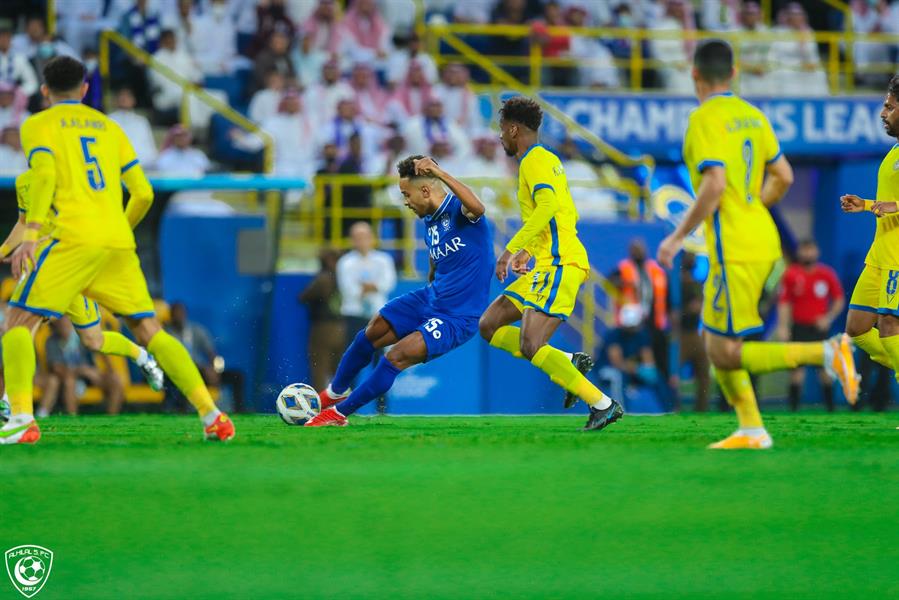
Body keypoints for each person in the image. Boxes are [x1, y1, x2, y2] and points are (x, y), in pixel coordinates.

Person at [0, 56, 234, 443]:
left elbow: (43, 175)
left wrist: (31, 234)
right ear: (85, 89)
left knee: (17, 323)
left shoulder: (37, 124)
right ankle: (212, 415)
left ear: (44, 92)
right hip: (118, 241)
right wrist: (118, 230)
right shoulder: (110, 127)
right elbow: (143, 192)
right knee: (150, 330)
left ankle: (22, 419)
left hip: (72, 238)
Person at [656, 39, 856, 450]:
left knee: (724, 352)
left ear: (694, 74)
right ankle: (751, 428)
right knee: (717, 344)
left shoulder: (703, 119)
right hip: (762, 239)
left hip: (735, 246)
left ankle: (825, 353)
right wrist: (751, 205)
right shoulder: (753, 116)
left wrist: (677, 237)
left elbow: (714, 184)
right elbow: (783, 176)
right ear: (733, 74)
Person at [305, 155, 492, 426]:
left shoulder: (460, 211)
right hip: (431, 298)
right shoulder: (429, 220)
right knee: (371, 332)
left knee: (395, 356)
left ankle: (338, 414)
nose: (405, 201)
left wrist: (440, 173)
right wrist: (432, 276)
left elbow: (479, 207)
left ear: (426, 190)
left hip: (457, 316)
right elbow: (437, 255)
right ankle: (334, 393)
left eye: (407, 194)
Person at [477, 96, 622, 431]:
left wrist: (510, 249)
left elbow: (547, 207)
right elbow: (559, 213)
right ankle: (569, 361)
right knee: (489, 324)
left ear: (513, 129)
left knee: (531, 344)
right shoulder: (543, 160)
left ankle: (602, 403)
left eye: (501, 130)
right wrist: (530, 251)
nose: (500, 137)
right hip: (545, 260)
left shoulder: (534, 161)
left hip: (560, 263)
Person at [1, 168, 165, 394]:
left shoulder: (71, 176)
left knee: (93, 340)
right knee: (18, 329)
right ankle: (11, 403)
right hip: (41, 270)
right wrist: (3, 250)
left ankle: (142, 356)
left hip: (72, 268)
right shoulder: (23, 182)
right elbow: (23, 223)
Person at [838, 75, 899, 415]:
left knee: (890, 325)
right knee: (858, 328)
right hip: (879, 255)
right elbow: (891, 201)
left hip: (897, 258)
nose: (882, 113)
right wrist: (865, 204)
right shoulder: (895, 150)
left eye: (890, 107)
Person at [777, 240, 845, 411]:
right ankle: (793, 410)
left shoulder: (826, 274)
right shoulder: (791, 274)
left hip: (819, 329)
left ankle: (830, 409)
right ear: (799, 253)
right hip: (798, 327)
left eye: (810, 250)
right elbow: (784, 303)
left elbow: (839, 299)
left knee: (825, 372)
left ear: (816, 252)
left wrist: (828, 318)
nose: (807, 254)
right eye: (804, 250)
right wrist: (783, 326)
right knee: (796, 372)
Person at [39, 317, 124, 417]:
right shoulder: (52, 341)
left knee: (115, 380)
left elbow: (99, 349)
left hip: (88, 376)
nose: (65, 326)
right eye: (62, 324)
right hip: (70, 378)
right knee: (69, 381)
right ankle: (73, 420)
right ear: (56, 326)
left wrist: (109, 369)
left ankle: (111, 418)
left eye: (67, 323)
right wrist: (79, 371)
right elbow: (56, 368)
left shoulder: (82, 337)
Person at [337, 221, 397, 339]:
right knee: (355, 351)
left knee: (377, 351)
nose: (362, 241)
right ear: (352, 240)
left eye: (365, 237)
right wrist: (365, 289)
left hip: (377, 312)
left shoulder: (383, 260)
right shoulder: (345, 262)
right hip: (353, 313)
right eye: (358, 237)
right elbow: (347, 287)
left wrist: (373, 286)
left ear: (372, 238)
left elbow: (388, 283)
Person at [299, 249, 345, 392]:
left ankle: (319, 406)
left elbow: (303, 297)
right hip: (342, 327)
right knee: (339, 370)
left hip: (323, 327)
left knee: (319, 368)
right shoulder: (346, 277)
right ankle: (344, 406)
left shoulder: (324, 278)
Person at [676, 251, 710, 411]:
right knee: (675, 374)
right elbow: (677, 311)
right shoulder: (677, 285)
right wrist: (688, 310)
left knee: (704, 373)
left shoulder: (695, 284)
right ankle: (674, 406)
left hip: (693, 333)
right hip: (681, 334)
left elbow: (698, 306)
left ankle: (701, 409)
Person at [109, 87, 157, 166]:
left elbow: (150, 147)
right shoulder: (109, 120)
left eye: (127, 96)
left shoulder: (141, 121)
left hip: (141, 163)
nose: (124, 99)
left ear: (133, 100)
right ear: (116, 100)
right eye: (121, 96)